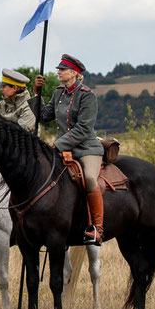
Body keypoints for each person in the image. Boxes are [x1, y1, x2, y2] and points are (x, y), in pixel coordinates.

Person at [31, 54, 104, 245]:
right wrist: (37, 93)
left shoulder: (87, 95)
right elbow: (44, 116)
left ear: (74, 73)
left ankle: (97, 228)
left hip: (86, 148)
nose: (58, 72)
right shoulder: (58, 93)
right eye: (59, 69)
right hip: (64, 149)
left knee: (89, 178)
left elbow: (83, 128)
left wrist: (58, 145)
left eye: (62, 70)